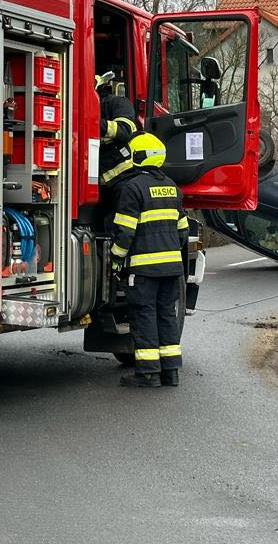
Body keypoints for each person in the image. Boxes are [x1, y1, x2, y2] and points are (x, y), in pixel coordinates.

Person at [110, 132, 188, 388]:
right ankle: (171, 372)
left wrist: (115, 259)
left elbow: (125, 231)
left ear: (138, 157)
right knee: (166, 314)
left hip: (144, 269)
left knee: (144, 315)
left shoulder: (133, 188)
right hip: (172, 268)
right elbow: (183, 231)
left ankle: (148, 374)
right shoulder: (172, 187)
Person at [97, 72, 138, 188]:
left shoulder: (119, 103)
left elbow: (124, 130)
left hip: (121, 175)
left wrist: (95, 123)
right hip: (100, 175)